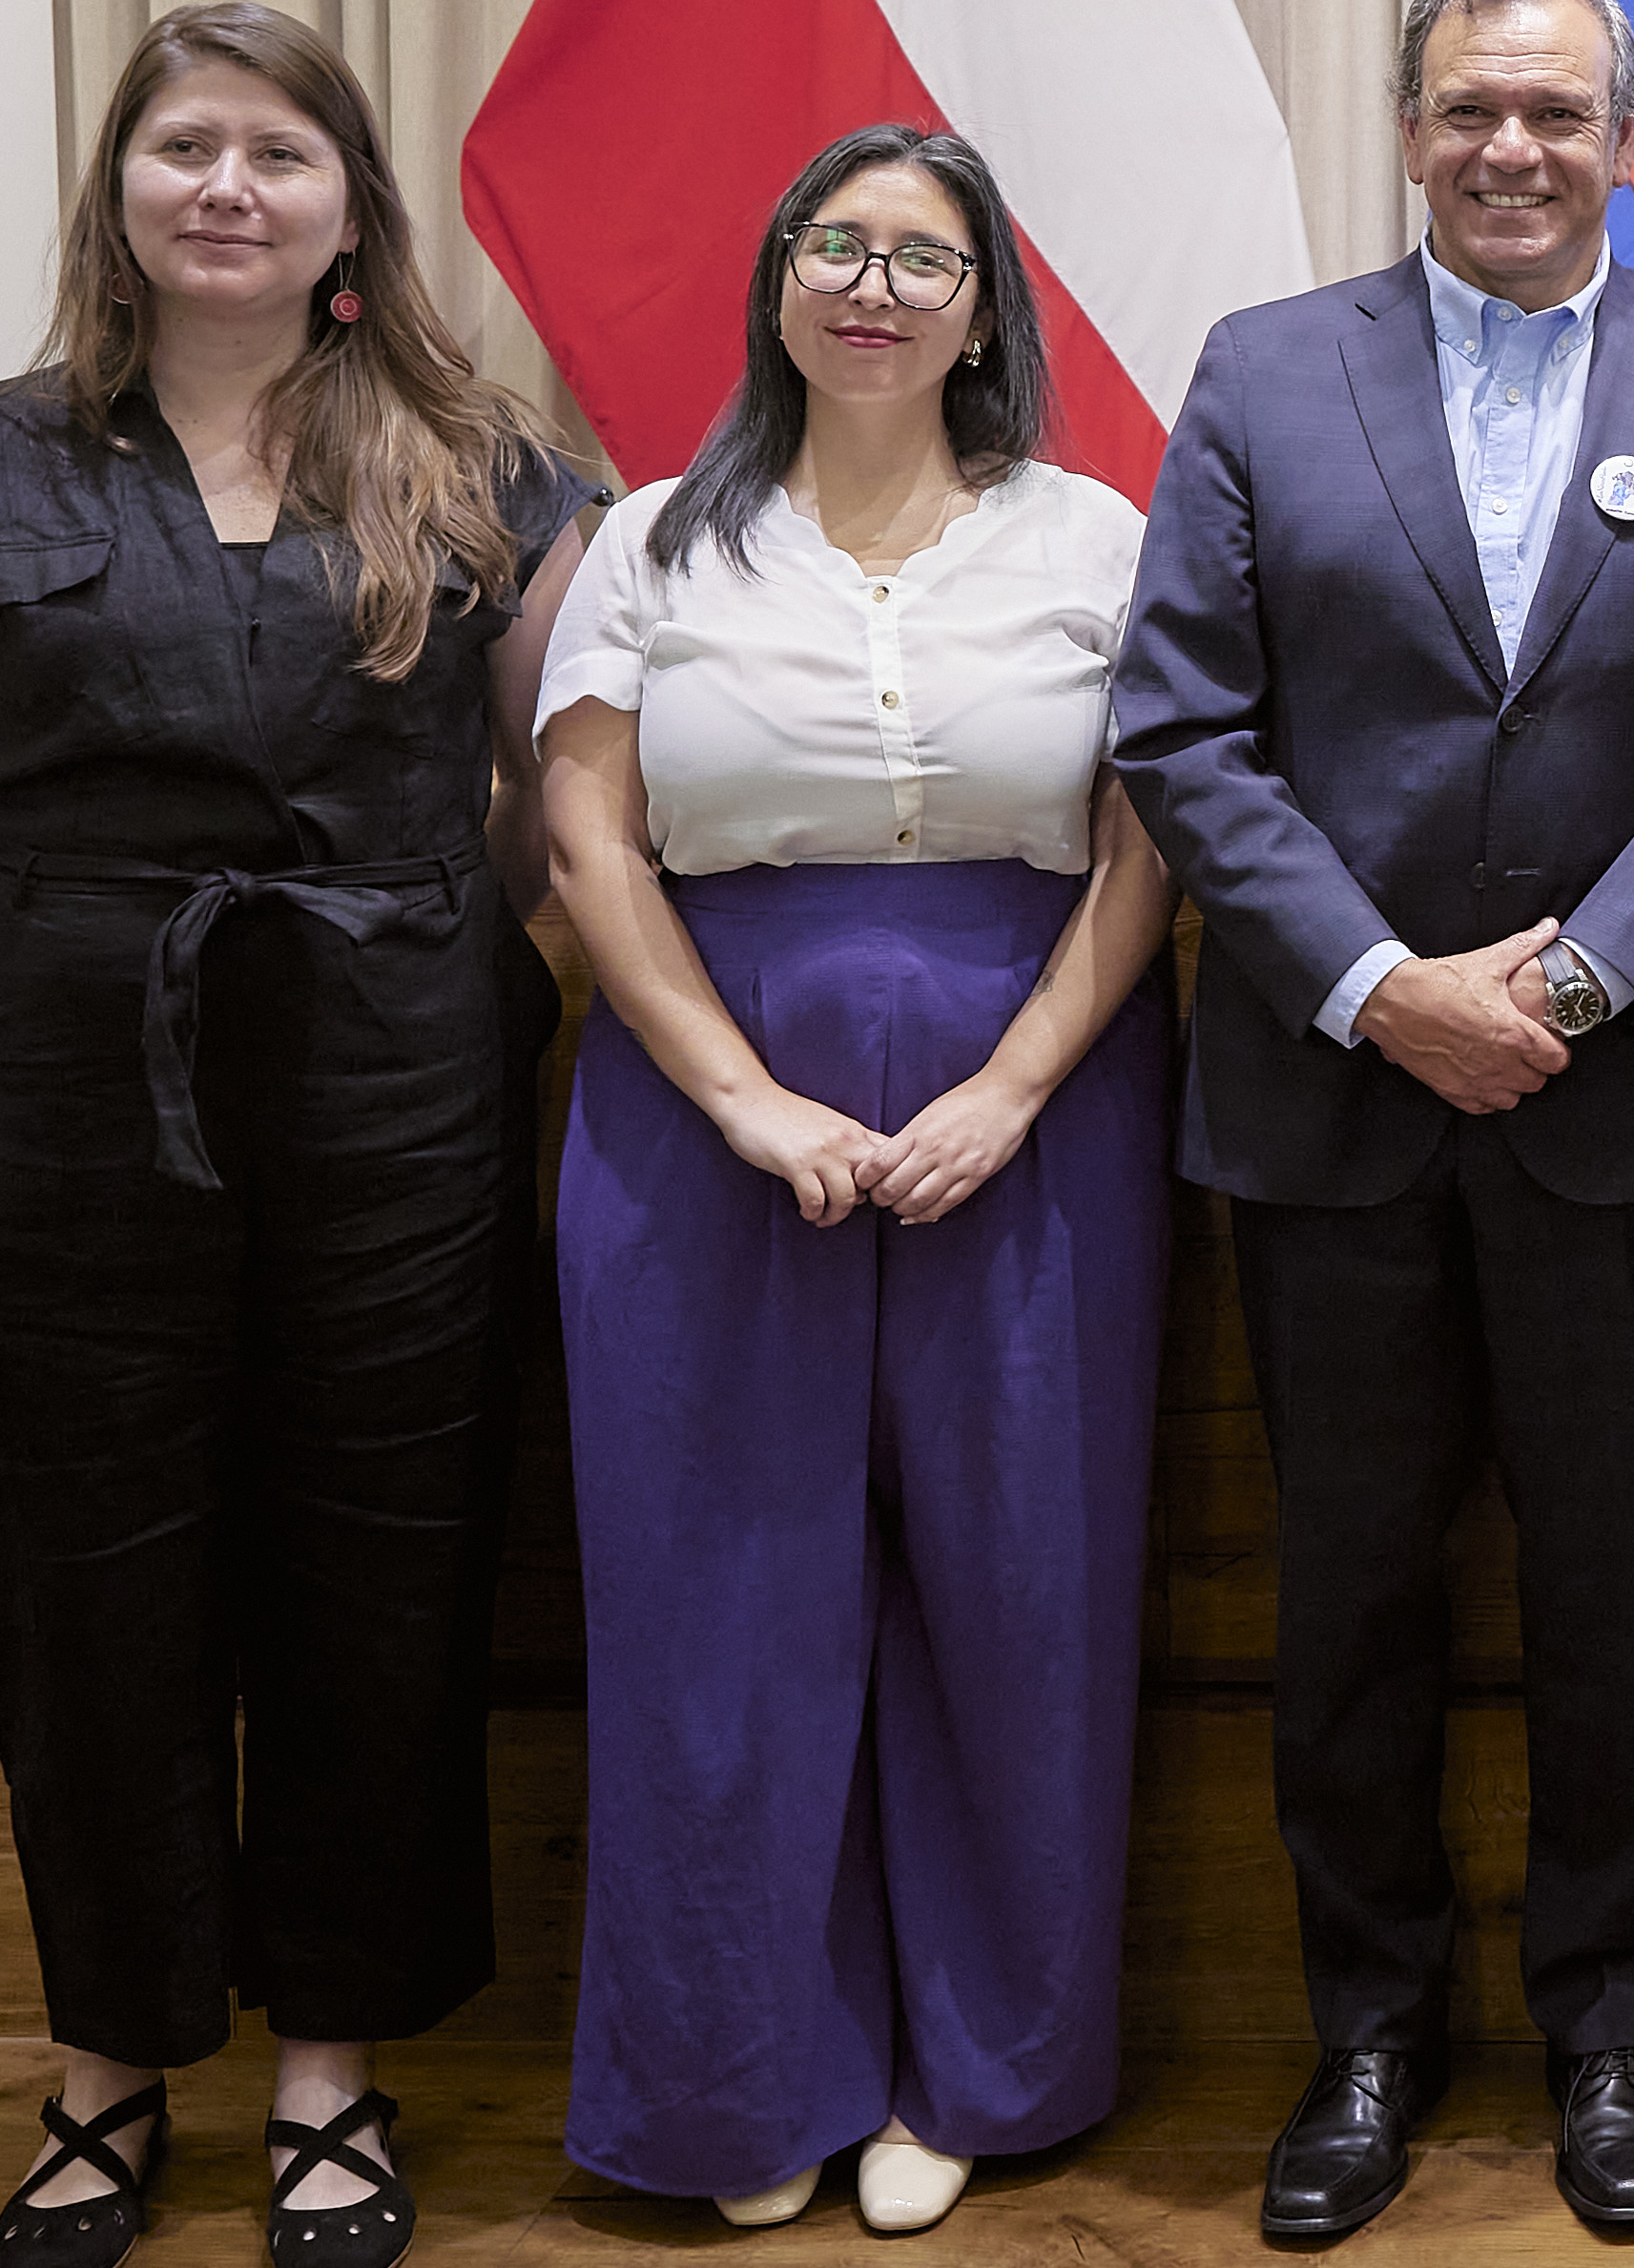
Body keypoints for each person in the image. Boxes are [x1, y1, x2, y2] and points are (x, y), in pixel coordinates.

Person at [0, 2, 592, 2268]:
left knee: (377, 1562)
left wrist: (364, 971)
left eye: (276, 150)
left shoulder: (484, 466)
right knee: (85, 1580)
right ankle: (107, 2059)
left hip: (396, 1101)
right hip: (62, 1110)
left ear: (351, 203)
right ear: (122, 192)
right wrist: (87, 966)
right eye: (184, 147)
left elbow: (551, 815)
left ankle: (335, 2064)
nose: (226, 186)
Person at [1111, 0, 1634, 2244]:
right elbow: (1182, 734)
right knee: (1345, 1596)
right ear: (1407, 127)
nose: (1509, 151)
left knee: (1609, 1592)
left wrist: (1577, 972)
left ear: (1627, 132)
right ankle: (1366, 2034)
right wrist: (1372, 985)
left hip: (1614, 1107)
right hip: (1329, 1104)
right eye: (1467, 112)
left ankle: (1608, 2039)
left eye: (1553, 113)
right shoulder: (1260, 375)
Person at [534, 128, 1173, 2237]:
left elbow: (1149, 843)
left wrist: (1010, 1084)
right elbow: (592, 850)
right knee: (720, 1601)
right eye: (839, 245)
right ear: (779, 284)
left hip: (1040, 1095)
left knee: (1020, 1592)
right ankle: (742, 2085)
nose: (878, 285)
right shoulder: (646, 545)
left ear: (985, 305)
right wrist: (738, 1101)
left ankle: (982, 2074)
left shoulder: (1096, 537)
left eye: (925, 256)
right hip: (705, 1109)